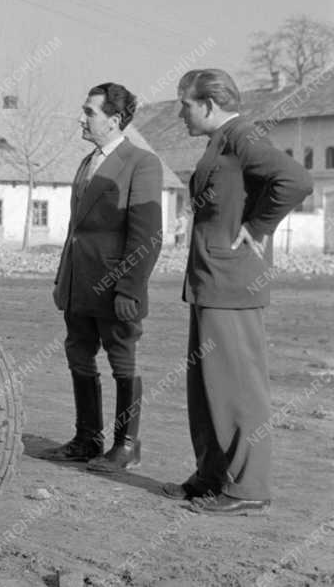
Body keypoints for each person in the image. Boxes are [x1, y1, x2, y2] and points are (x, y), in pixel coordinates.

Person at [162, 69, 311, 515]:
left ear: (208, 104)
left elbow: (296, 181)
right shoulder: (220, 141)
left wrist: (257, 227)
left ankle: (248, 487)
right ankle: (211, 476)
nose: (180, 112)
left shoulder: (241, 137)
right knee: (208, 389)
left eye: (185, 104)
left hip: (232, 283)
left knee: (238, 389)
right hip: (211, 281)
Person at [44, 83, 163, 472]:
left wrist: (129, 287)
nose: (82, 118)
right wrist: (65, 279)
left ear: (114, 120)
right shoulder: (86, 162)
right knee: (78, 354)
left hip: (115, 287)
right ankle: (87, 438)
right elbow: (75, 231)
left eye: (89, 112)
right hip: (79, 284)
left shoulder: (141, 162)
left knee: (122, 361)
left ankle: (127, 445)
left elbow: (146, 235)